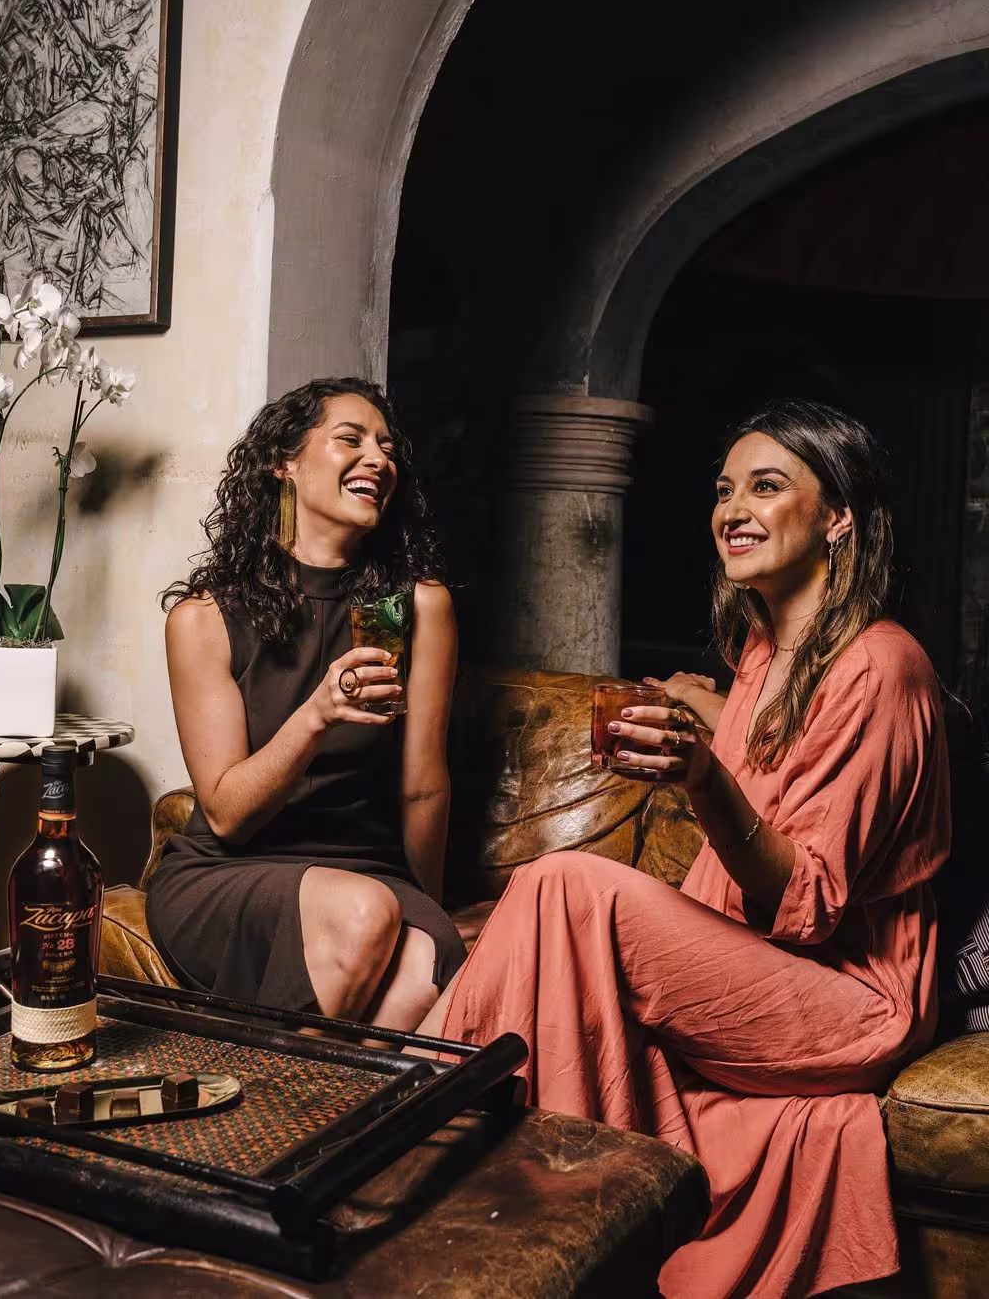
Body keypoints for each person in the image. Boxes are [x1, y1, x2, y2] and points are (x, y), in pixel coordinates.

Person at [415, 400, 951, 1298]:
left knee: (567, 885)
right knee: (561, 914)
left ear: (839, 517)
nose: (732, 508)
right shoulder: (765, 651)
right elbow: (771, 764)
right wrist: (697, 708)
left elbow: (810, 906)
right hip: (761, 966)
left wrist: (702, 775)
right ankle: (435, 1137)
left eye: (767, 486)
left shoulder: (883, 667)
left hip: (850, 1001)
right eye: (723, 489)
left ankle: (418, 1116)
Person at [148, 378, 465, 1032]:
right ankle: (265, 1110)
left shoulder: (420, 607)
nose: (378, 459)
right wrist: (318, 711)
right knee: (364, 916)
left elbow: (422, 789)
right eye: (350, 440)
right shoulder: (204, 619)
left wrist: (427, 906)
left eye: (387, 448)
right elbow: (229, 814)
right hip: (232, 869)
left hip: (369, 869)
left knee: (419, 974)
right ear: (282, 463)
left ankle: (282, 1114)